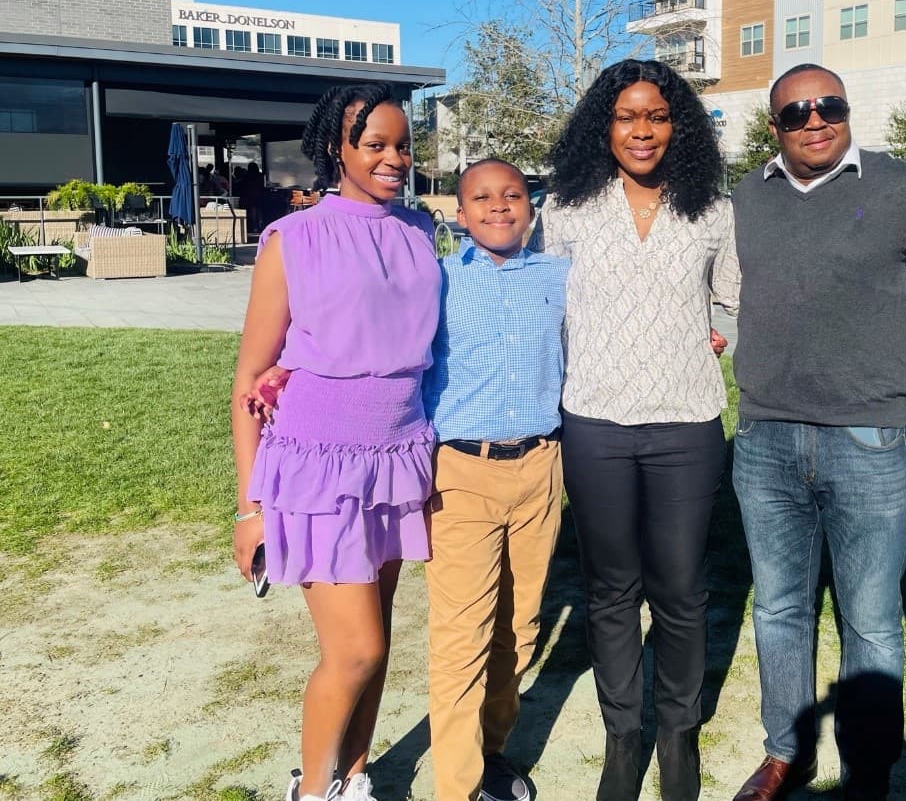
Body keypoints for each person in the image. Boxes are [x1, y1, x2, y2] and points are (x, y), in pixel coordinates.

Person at [730, 63, 906, 801]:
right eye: (796, 112)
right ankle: (785, 752)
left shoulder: (905, 190)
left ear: (847, 111)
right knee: (779, 608)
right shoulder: (742, 199)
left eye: (829, 106)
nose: (814, 120)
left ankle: (868, 768)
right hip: (764, 438)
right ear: (774, 126)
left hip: (867, 438)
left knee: (872, 620)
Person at [231, 83, 440, 801]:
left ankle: (355, 777)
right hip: (318, 462)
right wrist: (248, 508)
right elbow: (250, 380)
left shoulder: (421, 230)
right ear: (336, 148)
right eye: (374, 144)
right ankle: (311, 791)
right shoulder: (295, 237)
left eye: (402, 144)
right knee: (355, 650)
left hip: (399, 455)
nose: (394, 158)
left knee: (375, 644)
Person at [542, 58, 739, 801]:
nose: (642, 130)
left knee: (683, 590)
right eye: (627, 116)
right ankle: (624, 735)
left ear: (677, 125)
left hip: (686, 422)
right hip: (593, 420)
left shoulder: (712, 211)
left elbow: (730, 302)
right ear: (604, 125)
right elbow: (545, 311)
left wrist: (718, 336)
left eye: (656, 116)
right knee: (611, 590)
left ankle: (677, 734)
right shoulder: (565, 208)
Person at [419, 158, 569, 801]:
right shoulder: (439, 280)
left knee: (520, 630)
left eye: (512, 195)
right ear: (460, 213)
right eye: (482, 197)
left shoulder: (562, 277)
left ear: (531, 207)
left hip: (540, 467)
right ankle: (456, 789)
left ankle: (490, 755)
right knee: (461, 638)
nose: (499, 206)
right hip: (460, 473)